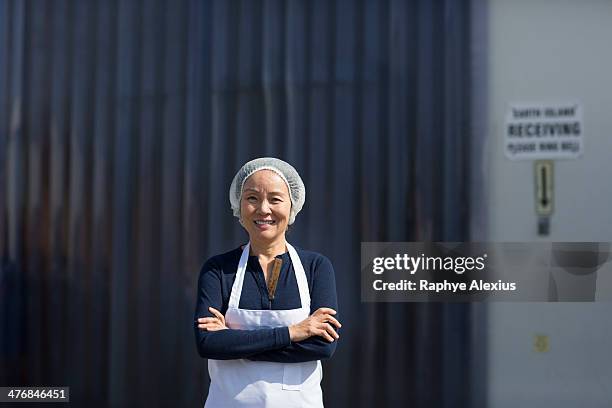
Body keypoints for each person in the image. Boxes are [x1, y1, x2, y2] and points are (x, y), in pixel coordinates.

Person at [194, 157, 341, 408]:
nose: (263, 209)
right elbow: (208, 344)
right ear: (239, 206)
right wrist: (294, 333)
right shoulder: (218, 270)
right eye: (252, 198)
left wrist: (234, 344)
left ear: (292, 205)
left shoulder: (315, 268)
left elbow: (323, 346)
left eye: (275, 199)